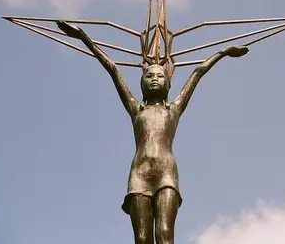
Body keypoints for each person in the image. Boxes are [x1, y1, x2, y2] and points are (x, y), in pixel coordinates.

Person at [57, 20, 249, 244]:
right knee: (142, 238)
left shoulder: (173, 109)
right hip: (139, 175)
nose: (155, 78)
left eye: (160, 76)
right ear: (141, 83)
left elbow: (199, 72)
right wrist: (84, 38)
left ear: (168, 83)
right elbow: (112, 69)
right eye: (149, 76)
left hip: (166, 173)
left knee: (165, 234)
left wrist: (223, 52)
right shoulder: (135, 108)